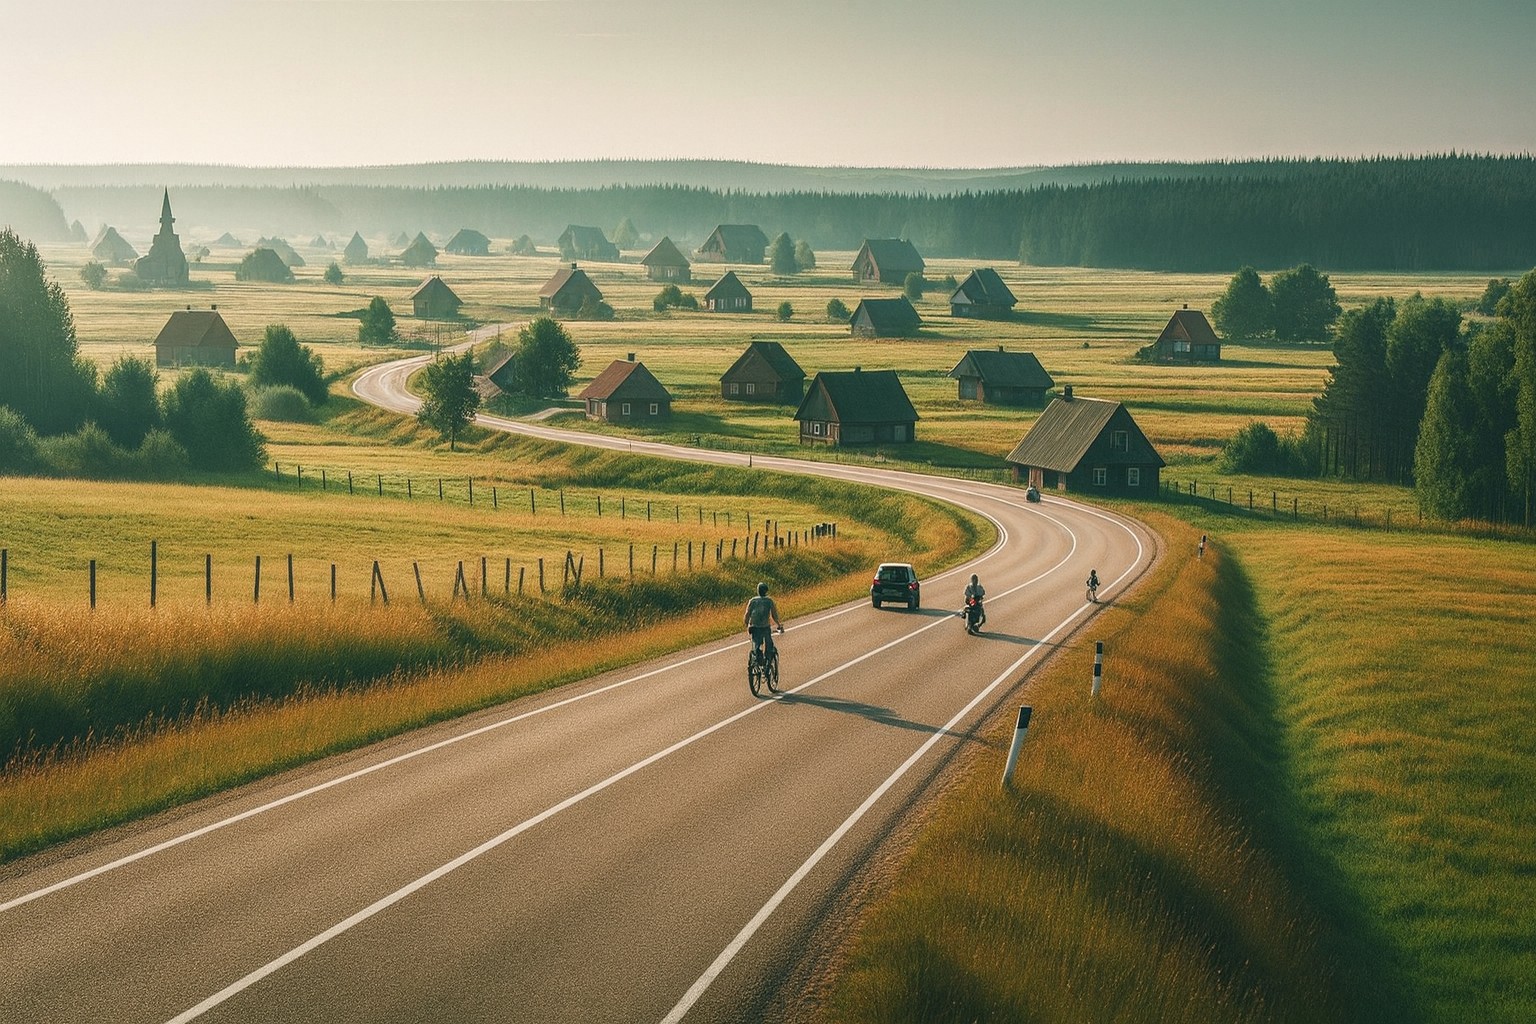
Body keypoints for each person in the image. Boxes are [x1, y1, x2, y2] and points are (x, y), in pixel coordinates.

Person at [744, 581, 783, 663]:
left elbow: (747, 614)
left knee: (756, 642)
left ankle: (757, 653)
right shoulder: (769, 601)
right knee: (769, 643)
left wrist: (747, 625)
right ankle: (767, 660)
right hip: (765, 627)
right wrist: (779, 625)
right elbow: (774, 615)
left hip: (754, 626)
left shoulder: (752, 601)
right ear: (766, 591)